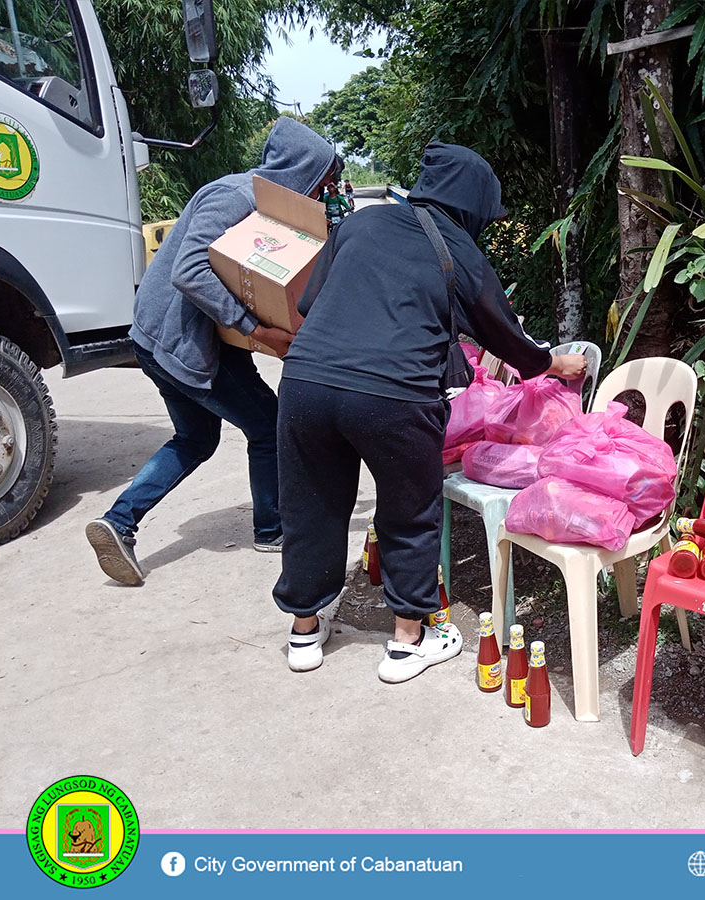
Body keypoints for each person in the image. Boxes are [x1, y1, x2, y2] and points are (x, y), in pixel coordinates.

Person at [273, 142, 586, 678]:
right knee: (410, 509)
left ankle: (304, 631)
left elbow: (309, 304)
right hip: (395, 396)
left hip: (307, 384)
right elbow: (508, 341)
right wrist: (552, 364)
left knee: (311, 505)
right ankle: (406, 641)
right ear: (471, 206)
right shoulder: (459, 251)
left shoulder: (360, 224)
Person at [85, 118, 341, 586]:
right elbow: (189, 271)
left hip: (192, 337)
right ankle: (272, 528)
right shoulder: (236, 197)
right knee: (268, 422)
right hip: (179, 338)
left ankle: (118, 522)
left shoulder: (264, 207)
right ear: (300, 172)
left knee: (196, 439)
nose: (321, 195)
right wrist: (257, 330)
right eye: (320, 184)